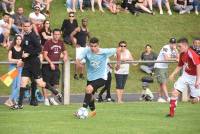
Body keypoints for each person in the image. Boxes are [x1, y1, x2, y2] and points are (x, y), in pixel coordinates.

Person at [11, 20, 62, 109]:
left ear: (31, 27)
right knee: (22, 83)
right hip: (26, 64)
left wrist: (29, 54)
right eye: (24, 26)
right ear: (22, 27)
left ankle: (56, 92)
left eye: (28, 26)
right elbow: (25, 52)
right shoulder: (24, 36)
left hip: (34, 63)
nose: (26, 27)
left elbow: (39, 49)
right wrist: (21, 60)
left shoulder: (33, 36)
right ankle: (19, 104)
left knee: (40, 83)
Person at [75, 37, 121, 117]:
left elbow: (118, 50)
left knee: (88, 89)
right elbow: (78, 59)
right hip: (90, 77)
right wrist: (78, 64)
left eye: (95, 46)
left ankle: (82, 110)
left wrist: (118, 63)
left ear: (98, 45)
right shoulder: (86, 50)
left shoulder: (104, 52)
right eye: (91, 46)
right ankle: (93, 112)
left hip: (101, 77)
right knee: (90, 95)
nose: (93, 48)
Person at [167, 38, 200, 117]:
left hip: (195, 77)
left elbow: (198, 66)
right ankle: (171, 114)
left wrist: (198, 80)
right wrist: (173, 74)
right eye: (177, 46)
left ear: (185, 46)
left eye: (179, 46)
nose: (178, 48)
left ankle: (198, 97)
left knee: (193, 101)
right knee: (175, 92)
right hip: (185, 75)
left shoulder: (192, 54)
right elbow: (180, 65)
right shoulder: (182, 54)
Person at [42, 28, 68, 106]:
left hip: (56, 66)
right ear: (52, 34)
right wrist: (50, 63)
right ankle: (46, 99)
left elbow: (65, 52)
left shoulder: (61, 42)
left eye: (58, 34)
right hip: (47, 66)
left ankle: (52, 99)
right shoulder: (48, 42)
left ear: (60, 35)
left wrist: (65, 56)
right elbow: (45, 55)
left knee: (56, 84)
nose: (57, 36)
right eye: (55, 34)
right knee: (46, 84)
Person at [154, 38, 179, 103]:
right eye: (171, 43)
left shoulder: (173, 49)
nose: (172, 44)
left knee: (161, 83)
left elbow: (179, 57)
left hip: (165, 67)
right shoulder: (165, 47)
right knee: (163, 82)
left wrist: (175, 49)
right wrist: (175, 59)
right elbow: (166, 58)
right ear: (169, 43)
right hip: (159, 67)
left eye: (174, 43)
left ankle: (160, 98)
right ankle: (168, 98)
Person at [4, 35, 23, 107]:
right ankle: (12, 100)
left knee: (18, 86)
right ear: (15, 40)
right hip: (13, 67)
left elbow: (23, 59)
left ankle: (11, 100)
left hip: (20, 68)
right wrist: (18, 60)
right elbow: (9, 59)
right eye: (17, 39)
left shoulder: (22, 48)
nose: (19, 40)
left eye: (20, 39)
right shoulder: (12, 48)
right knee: (14, 86)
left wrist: (22, 60)